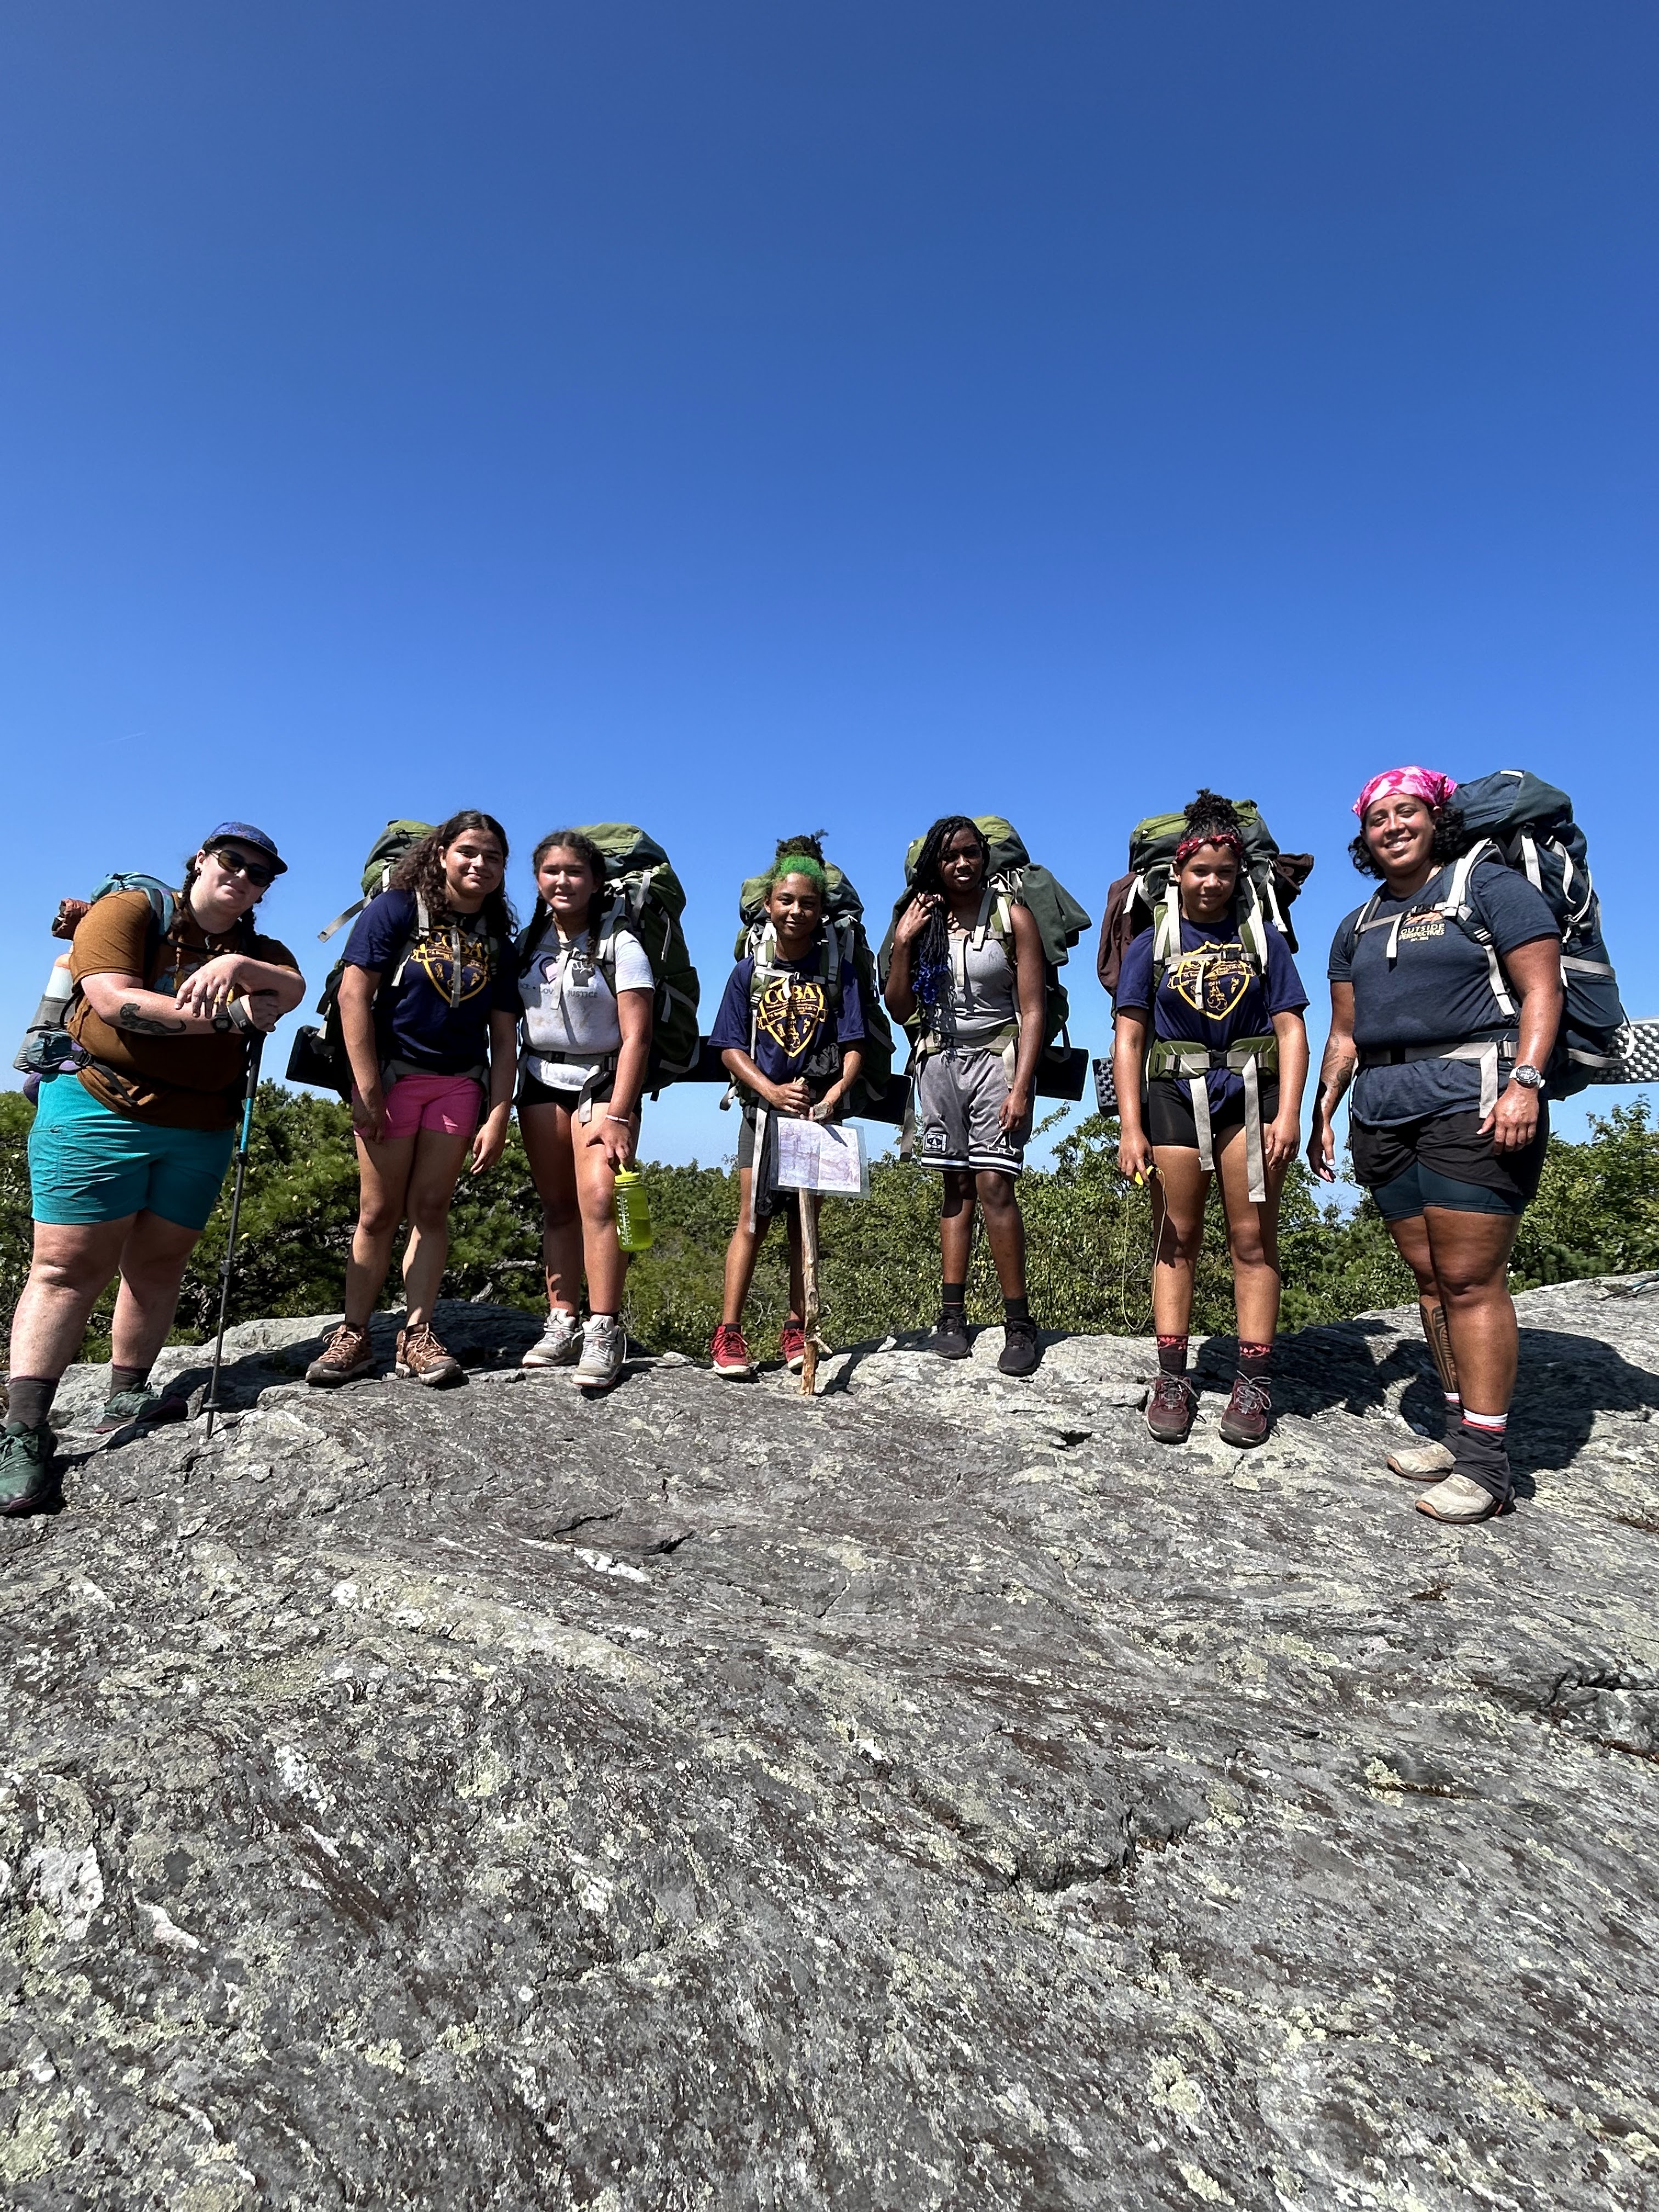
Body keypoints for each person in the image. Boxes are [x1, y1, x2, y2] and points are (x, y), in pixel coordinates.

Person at [3, 824, 304, 1515]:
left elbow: (291, 987)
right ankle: (23, 1431)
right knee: (66, 1268)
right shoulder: (130, 911)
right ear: (201, 860)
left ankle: (128, 1391)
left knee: (161, 1263)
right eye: (232, 861)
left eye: (259, 874)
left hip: (200, 1125)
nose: (243, 877)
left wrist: (241, 967)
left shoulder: (259, 949)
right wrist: (232, 1017)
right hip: (98, 1104)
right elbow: (116, 1002)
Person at [1309, 767, 1564, 1525]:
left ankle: (1487, 1463)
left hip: (1474, 1099)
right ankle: (1458, 1432)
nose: (1392, 826)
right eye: (1377, 817)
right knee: (1429, 1278)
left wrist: (1526, 1082)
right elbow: (1346, 1033)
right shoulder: (1356, 924)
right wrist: (1323, 1109)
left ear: (1436, 818)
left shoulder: (1490, 888)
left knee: (1469, 1278)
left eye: (1407, 812)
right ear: (1364, 834)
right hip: (1383, 1108)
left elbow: (1542, 990)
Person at [1111, 792, 1311, 1446]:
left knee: (1252, 1240)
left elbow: (1292, 1029)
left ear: (1240, 874)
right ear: (1178, 871)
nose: (1212, 883)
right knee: (1177, 1236)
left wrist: (1290, 1115)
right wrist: (1131, 1127)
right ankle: (1172, 1377)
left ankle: (1253, 1380)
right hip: (1174, 1093)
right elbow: (1128, 1039)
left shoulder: (1263, 940)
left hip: (1252, 1094)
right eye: (1201, 871)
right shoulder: (1152, 944)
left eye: (1225, 872)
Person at [304, 811, 519, 1390]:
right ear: (442, 853)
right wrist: (367, 1088)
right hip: (394, 1079)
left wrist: (499, 1112)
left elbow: (504, 1035)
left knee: (430, 1209)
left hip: (459, 1084)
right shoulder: (395, 909)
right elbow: (354, 995)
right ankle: (354, 1333)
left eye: (493, 857)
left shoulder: (496, 938)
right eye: (468, 852)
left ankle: (417, 1333)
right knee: (378, 1212)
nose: (480, 864)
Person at [883, 815, 1045, 1375]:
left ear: (984, 856)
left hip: (999, 1060)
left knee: (994, 1184)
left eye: (971, 853)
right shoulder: (922, 920)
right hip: (939, 1061)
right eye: (950, 856)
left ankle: (1018, 1324)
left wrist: (1021, 1088)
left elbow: (1033, 1009)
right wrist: (903, 942)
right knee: (955, 1185)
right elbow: (900, 1008)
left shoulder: (1013, 917)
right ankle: (951, 1317)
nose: (961, 864)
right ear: (935, 862)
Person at [707, 841, 865, 1378]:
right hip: (762, 1111)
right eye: (786, 901)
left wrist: (833, 1096)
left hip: (817, 1116)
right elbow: (729, 1045)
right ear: (769, 906)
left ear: (821, 910)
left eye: (807, 903)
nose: (796, 911)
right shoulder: (748, 972)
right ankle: (729, 1331)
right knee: (753, 1218)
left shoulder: (839, 972)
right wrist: (771, 1092)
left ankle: (799, 1327)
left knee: (805, 1225)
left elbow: (855, 1045)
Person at [514, 831, 652, 1391]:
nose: (563, 881)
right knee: (556, 1206)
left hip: (603, 1081)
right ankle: (562, 1319)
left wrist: (620, 1113)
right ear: (537, 879)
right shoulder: (528, 941)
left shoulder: (622, 943)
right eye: (551, 871)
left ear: (596, 882)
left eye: (575, 872)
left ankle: (604, 1327)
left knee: (599, 1199)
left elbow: (638, 1035)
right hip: (539, 1076)